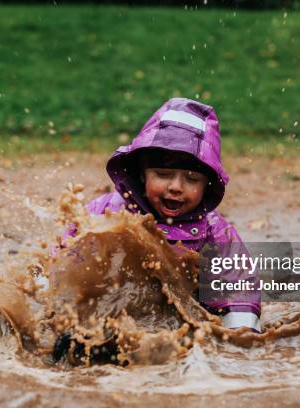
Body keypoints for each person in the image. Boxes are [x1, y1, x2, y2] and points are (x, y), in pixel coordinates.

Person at [71, 97, 260, 332]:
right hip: (112, 315)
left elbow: (238, 285)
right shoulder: (108, 212)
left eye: (191, 179)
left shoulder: (213, 231)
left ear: (207, 185)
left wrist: (241, 332)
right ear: (142, 174)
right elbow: (67, 258)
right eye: (163, 174)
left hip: (182, 322)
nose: (176, 187)